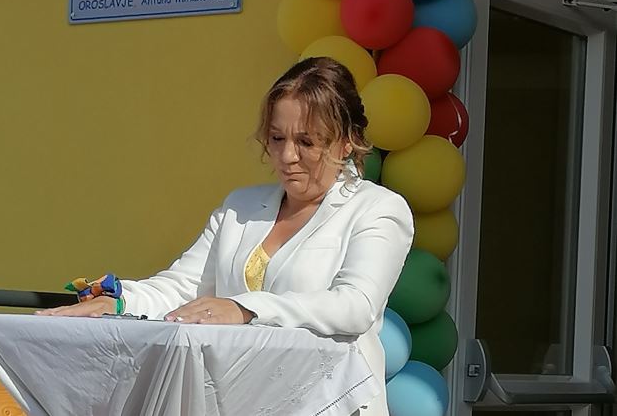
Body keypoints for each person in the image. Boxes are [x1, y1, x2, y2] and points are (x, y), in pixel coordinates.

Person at [37, 57, 414, 415]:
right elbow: (182, 287)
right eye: (277, 138)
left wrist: (245, 309)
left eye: (306, 142)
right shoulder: (240, 206)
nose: (287, 156)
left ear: (347, 142)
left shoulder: (378, 209)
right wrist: (119, 303)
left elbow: (354, 306)